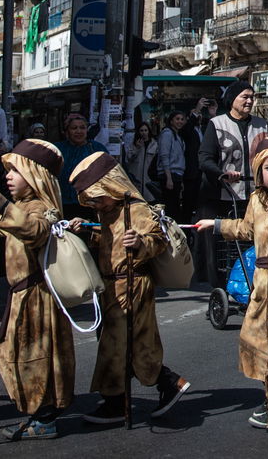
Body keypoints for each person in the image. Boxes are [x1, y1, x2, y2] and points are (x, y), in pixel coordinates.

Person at [195, 137, 268, 428]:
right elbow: (247, 229)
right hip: (261, 283)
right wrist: (217, 225)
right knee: (258, 341)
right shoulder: (257, 200)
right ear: (259, 171)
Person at [69, 152, 190, 424]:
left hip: (134, 284)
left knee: (131, 343)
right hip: (110, 286)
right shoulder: (107, 212)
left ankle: (165, 383)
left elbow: (157, 240)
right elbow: (105, 241)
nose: (95, 204)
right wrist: (86, 233)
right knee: (114, 345)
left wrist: (140, 242)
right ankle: (117, 399)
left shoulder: (137, 209)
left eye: (98, 197)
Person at [0, 138, 74, 439]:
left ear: (34, 174)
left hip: (38, 298)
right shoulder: (20, 206)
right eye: (6, 170)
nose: (7, 176)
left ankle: (45, 418)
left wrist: (6, 207)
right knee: (17, 356)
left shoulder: (43, 208)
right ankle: (39, 412)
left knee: (37, 357)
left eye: (14, 171)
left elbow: (35, 231)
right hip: (20, 296)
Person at [198, 81, 268, 289]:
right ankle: (221, 287)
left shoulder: (262, 125)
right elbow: (204, 158)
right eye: (244, 97)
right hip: (223, 196)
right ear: (232, 99)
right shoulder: (217, 124)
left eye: (251, 97)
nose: (249, 101)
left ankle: (253, 285)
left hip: (255, 196)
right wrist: (222, 174)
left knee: (254, 243)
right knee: (223, 248)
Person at [56, 113, 106, 221]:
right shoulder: (58, 149)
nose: (78, 131)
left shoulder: (96, 148)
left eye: (82, 128)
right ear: (67, 131)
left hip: (90, 204)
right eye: (74, 128)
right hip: (64, 203)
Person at [179, 98, 214, 221]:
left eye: (200, 115)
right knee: (188, 203)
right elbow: (186, 129)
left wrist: (212, 114)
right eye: (196, 115)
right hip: (191, 171)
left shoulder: (203, 129)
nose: (199, 116)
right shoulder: (187, 131)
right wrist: (197, 109)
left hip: (202, 172)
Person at [156, 111, 187, 220]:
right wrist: (168, 178)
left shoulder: (178, 136)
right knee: (170, 207)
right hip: (169, 174)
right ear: (171, 120)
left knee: (175, 206)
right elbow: (164, 155)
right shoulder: (167, 134)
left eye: (182, 119)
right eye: (177, 119)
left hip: (177, 174)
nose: (180, 121)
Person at [123, 121, 160, 201]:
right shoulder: (134, 144)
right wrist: (137, 148)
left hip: (149, 178)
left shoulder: (155, 144)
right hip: (137, 177)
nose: (144, 133)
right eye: (141, 130)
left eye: (145, 130)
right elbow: (128, 158)